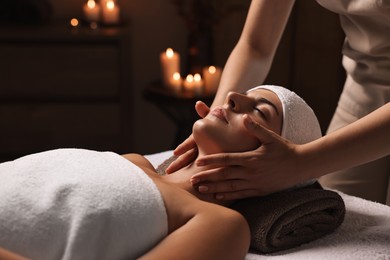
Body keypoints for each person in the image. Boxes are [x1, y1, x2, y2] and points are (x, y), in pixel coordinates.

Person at [0, 85, 321, 259]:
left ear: (275, 160)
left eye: (260, 111)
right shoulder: (134, 161)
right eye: (245, 95)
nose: (234, 98)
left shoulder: (219, 225)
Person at [167, 0, 390, 205]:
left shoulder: (227, 229)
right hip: (365, 83)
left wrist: (299, 164)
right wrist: (216, 114)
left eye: (261, 111)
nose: (233, 99)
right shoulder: (140, 165)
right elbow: (256, 46)